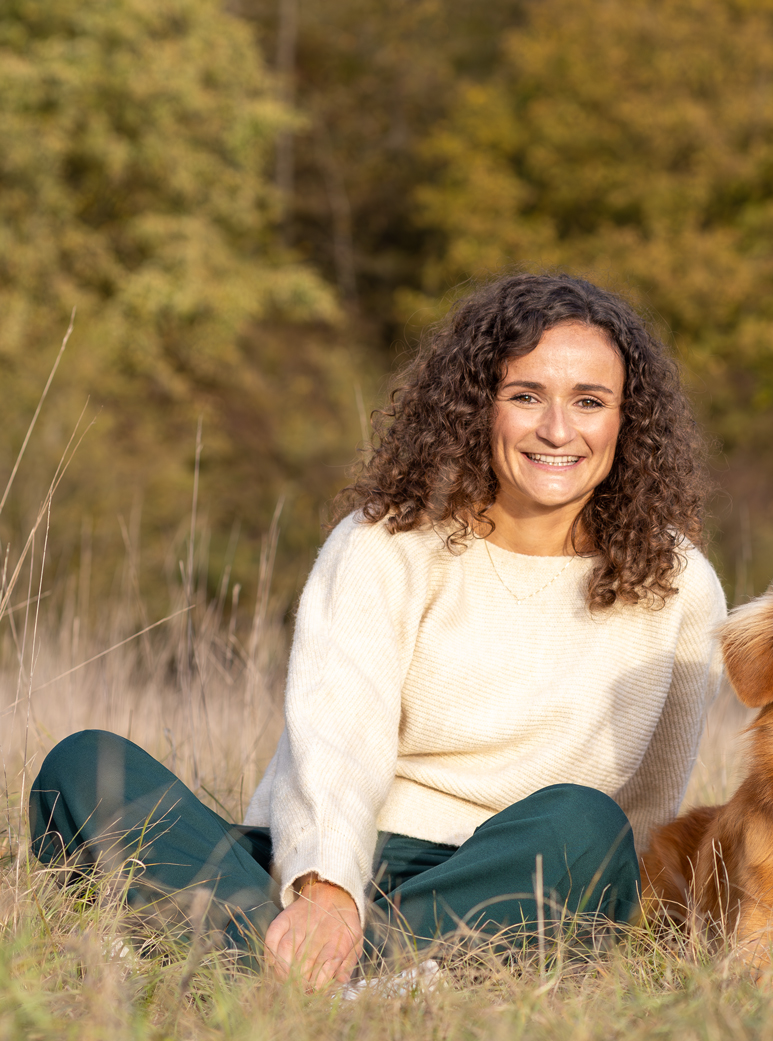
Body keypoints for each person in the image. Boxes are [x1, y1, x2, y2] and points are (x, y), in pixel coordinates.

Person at [29, 273, 726, 990]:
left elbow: (650, 803)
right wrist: (327, 889)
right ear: (477, 407)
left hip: (511, 875)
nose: (557, 429)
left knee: (586, 822)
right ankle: (364, 975)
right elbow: (337, 738)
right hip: (318, 864)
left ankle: (243, 970)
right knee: (83, 770)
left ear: (626, 420)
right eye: (525, 396)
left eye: (589, 401)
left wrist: (616, 910)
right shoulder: (387, 542)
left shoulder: (678, 583)